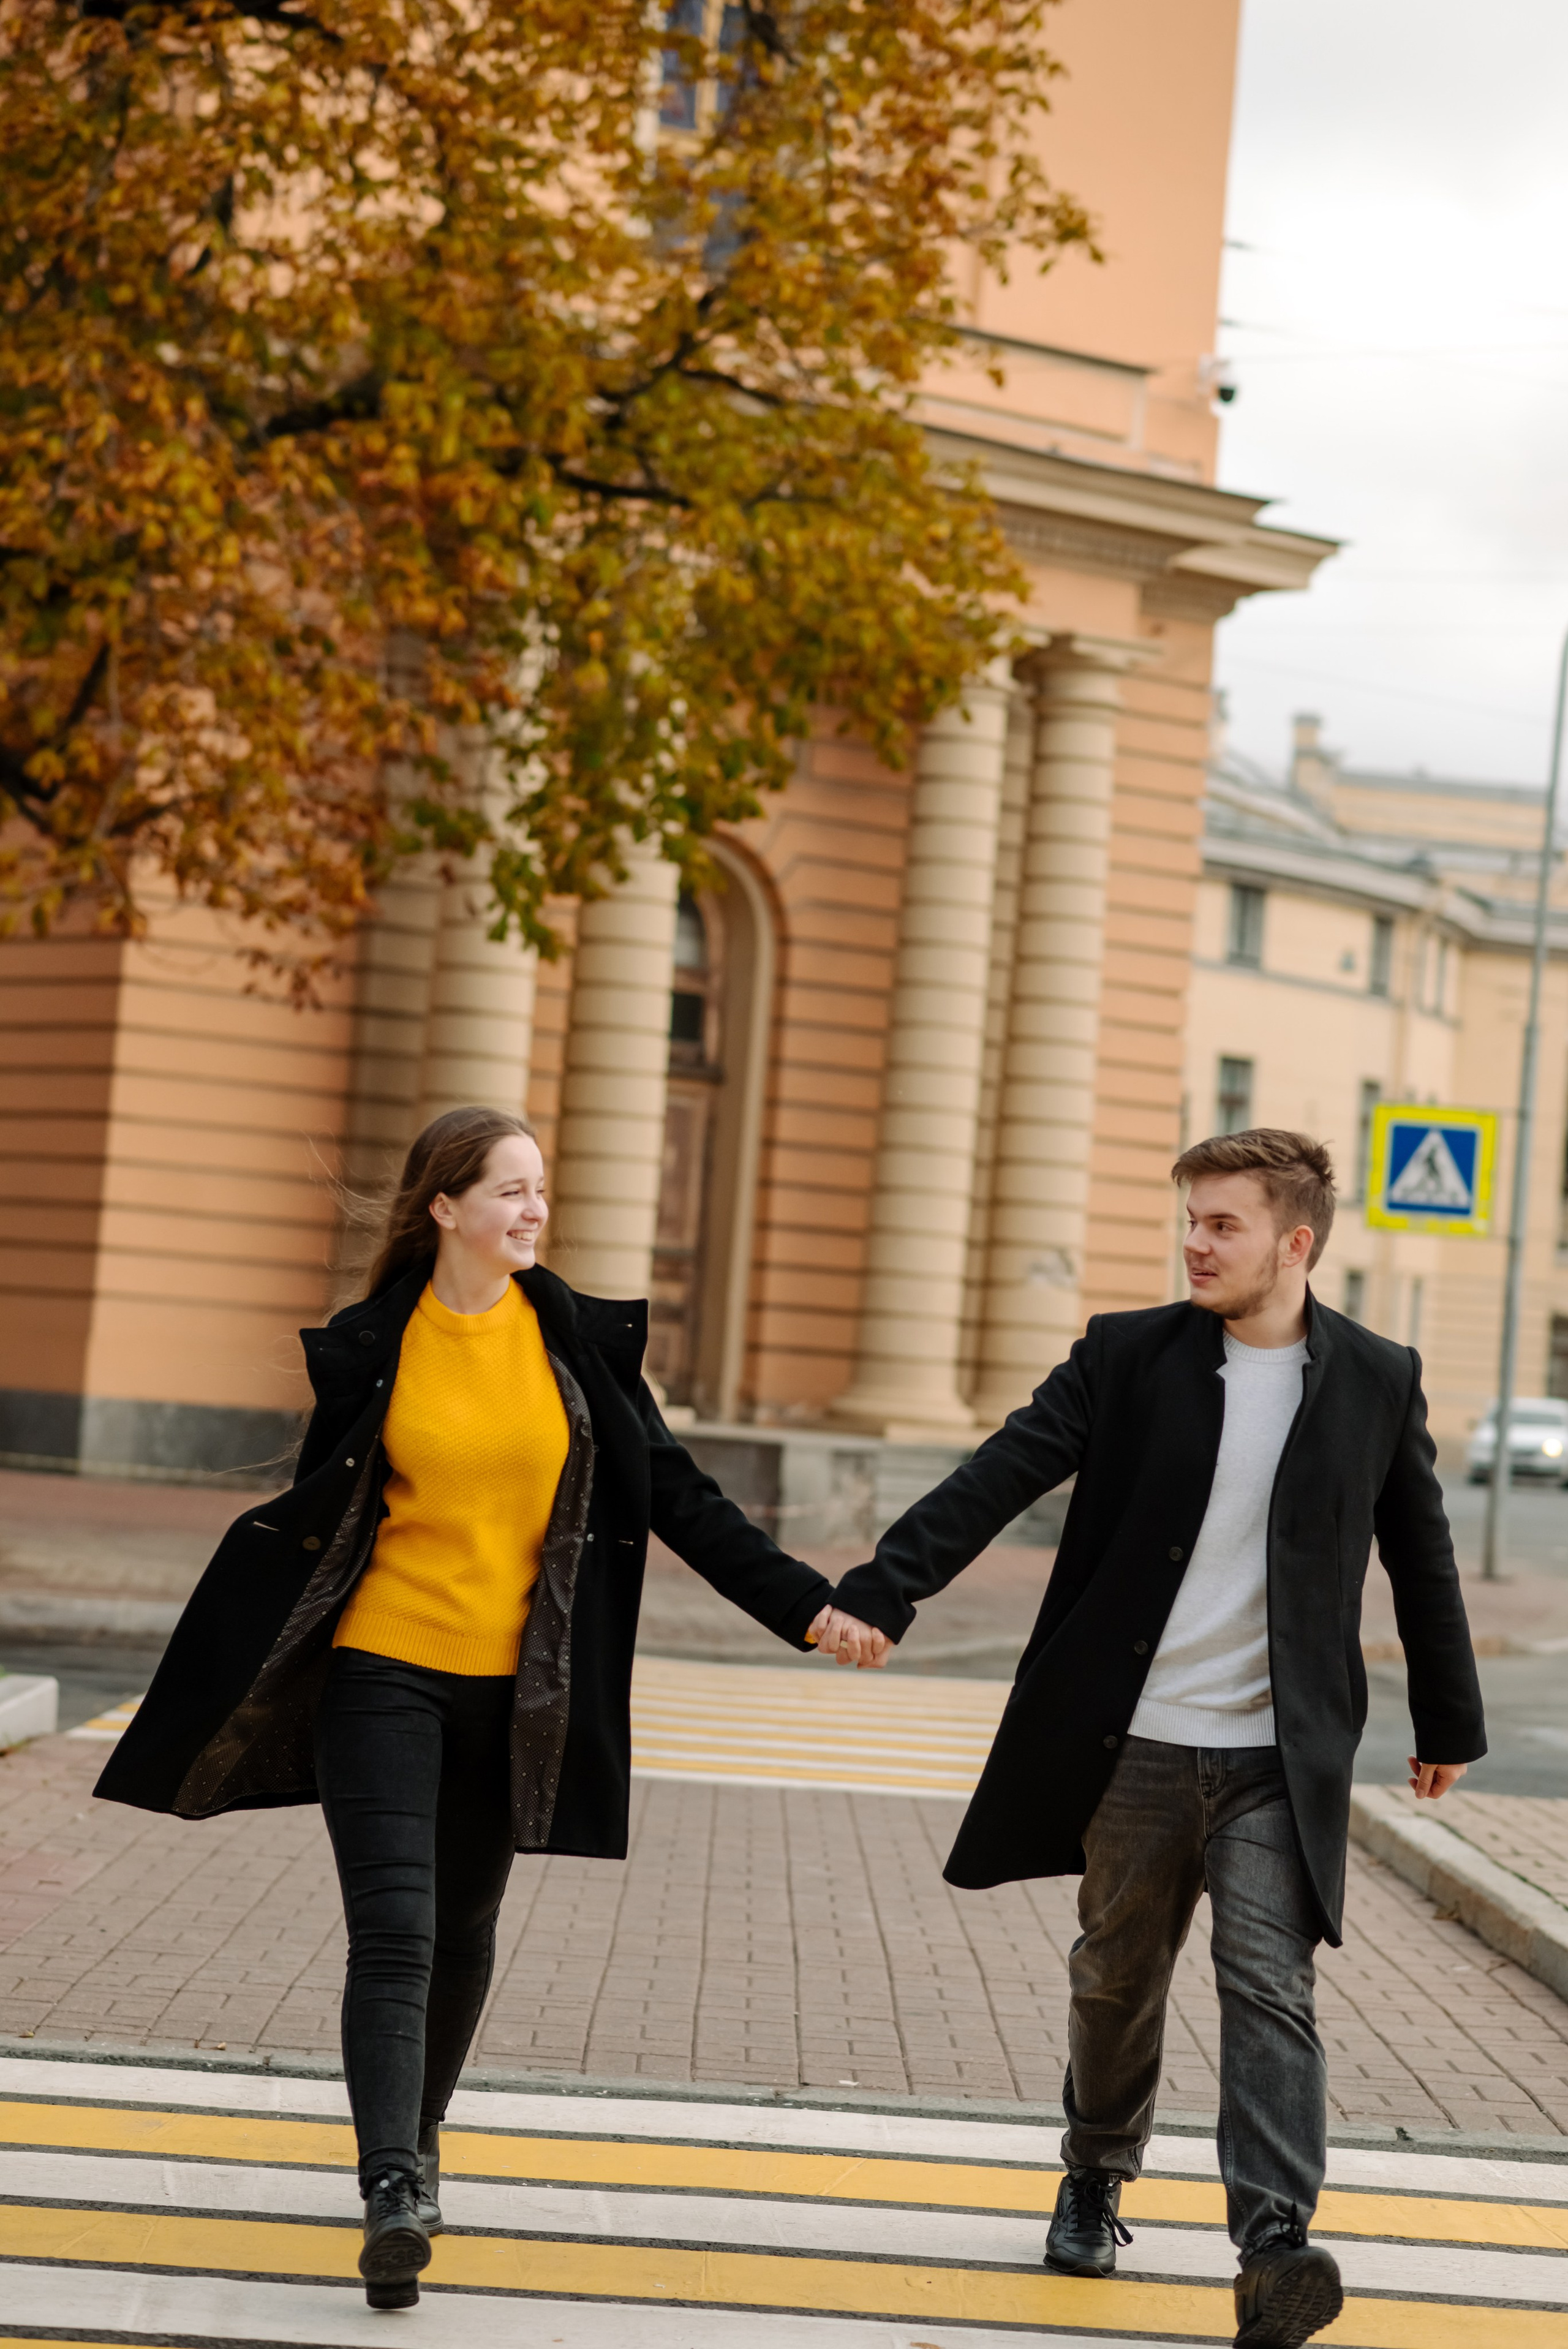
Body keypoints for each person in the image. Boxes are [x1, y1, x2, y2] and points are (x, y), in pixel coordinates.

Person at [96, 1105, 845, 2310]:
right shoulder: (370, 1347)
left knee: (462, 1929)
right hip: (380, 1673)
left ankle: (422, 2138)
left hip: (519, 1693)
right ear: (443, 1205)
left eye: (540, 1189)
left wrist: (809, 1607)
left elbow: (685, 1500)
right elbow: (324, 1513)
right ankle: (392, 2184)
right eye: (509, 1189)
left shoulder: (577, 1347)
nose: (533, 1210)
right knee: (395, 1928)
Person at [812, 1128, 1485, 2349]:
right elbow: (998, 1470)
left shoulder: (1376, 1378)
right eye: (1187, 1217)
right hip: (1134, 1744)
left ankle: (1272, 2242)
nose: (1193, 1241)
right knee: (1114, 1975)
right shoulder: (1126, 1356)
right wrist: (880, 1586)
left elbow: (1421, 1549)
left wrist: (1447, 1715)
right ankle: (1093, 2168)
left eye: (1220, 1224)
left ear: (1293, 1242)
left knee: (1268, 1983)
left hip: (1276, 1759)